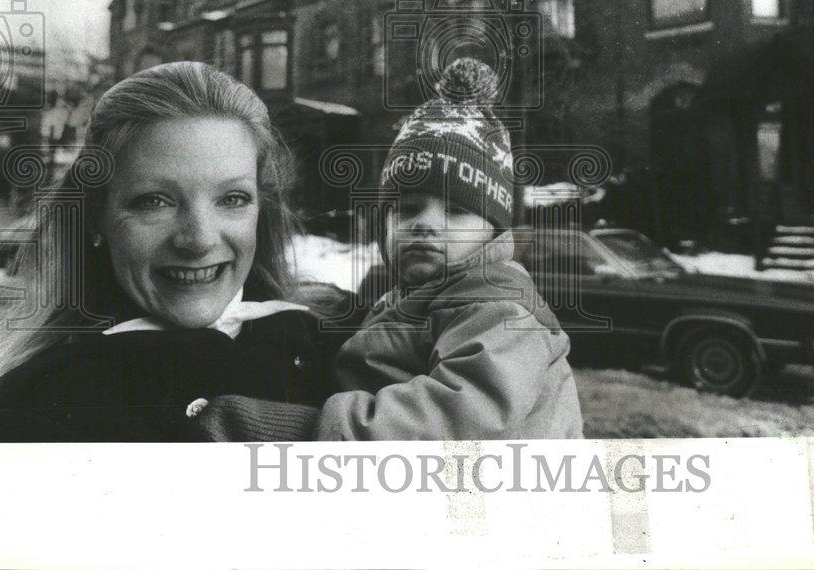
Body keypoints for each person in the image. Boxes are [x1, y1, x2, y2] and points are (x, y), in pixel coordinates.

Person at [196, 58, 584, 440]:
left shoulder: (498, 308)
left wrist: (310, 430)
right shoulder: (420, 298)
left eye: (456, 211)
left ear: (494, 231)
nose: (425, 224)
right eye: (407, 208)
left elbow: (456, 418)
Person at [0, 62, 345, 442]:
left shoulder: (344, 340)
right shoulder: (34, 407)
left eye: (233, 198)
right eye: (154, 202)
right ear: (95, 217)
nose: (200, 240)